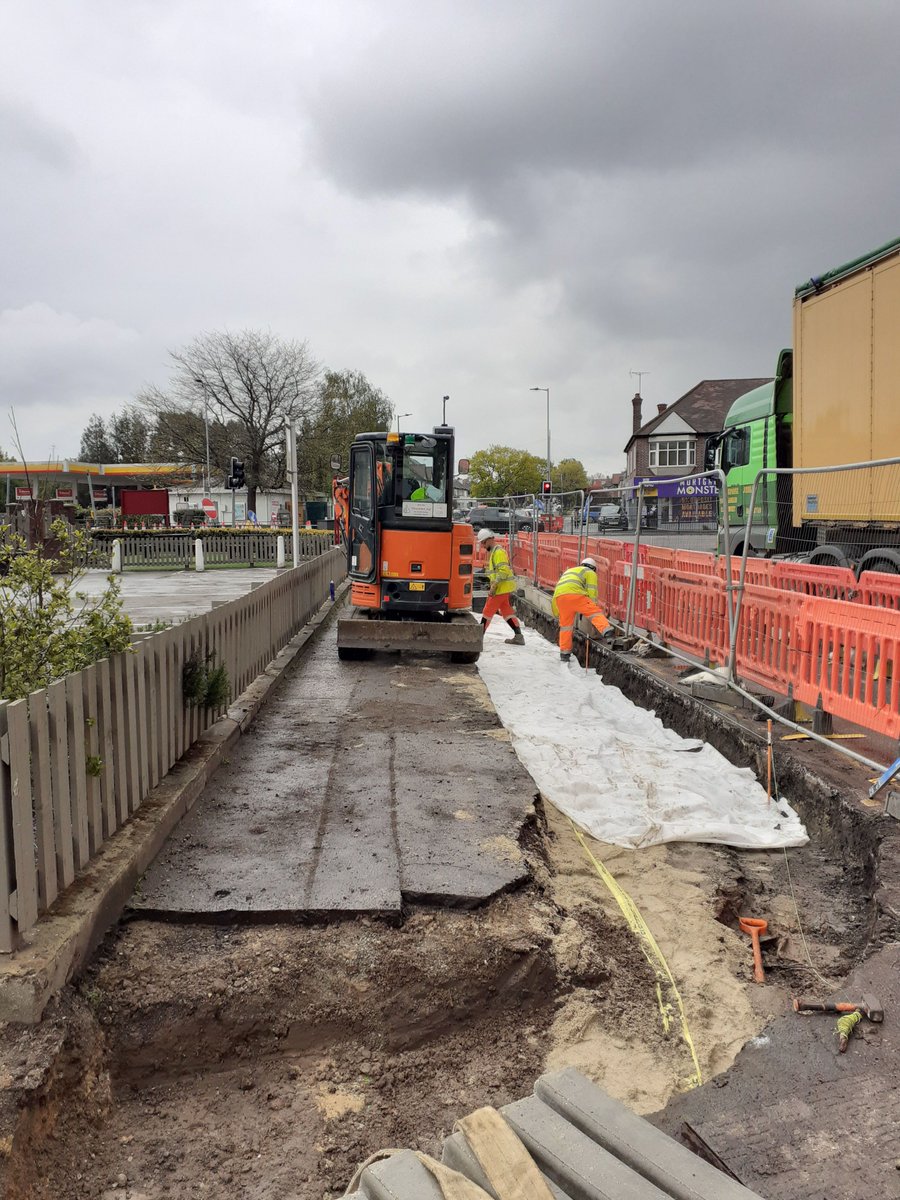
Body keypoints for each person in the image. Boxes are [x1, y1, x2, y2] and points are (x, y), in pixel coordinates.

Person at [552, 557, 611, 662]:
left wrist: (557, 612)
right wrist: (591, 606)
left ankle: (564, 654)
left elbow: (557, 591)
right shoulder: (590, 572)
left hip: (560, 598)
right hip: (576, 595)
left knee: (566, 627)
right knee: (595, 613)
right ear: (593, 568)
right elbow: (592, 592)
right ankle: (608, 632)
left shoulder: (570, 571)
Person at [477, 528, 525, 645]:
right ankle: (518, 636)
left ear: (490, 540)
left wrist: (494, 586)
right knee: (506, 611)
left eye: (483, 542)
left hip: (500, 588)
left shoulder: (498, 552)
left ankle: (477, 638)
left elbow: (503, 571)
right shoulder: (495, 552)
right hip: (503, 588)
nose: (482, 545)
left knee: (487, 611)